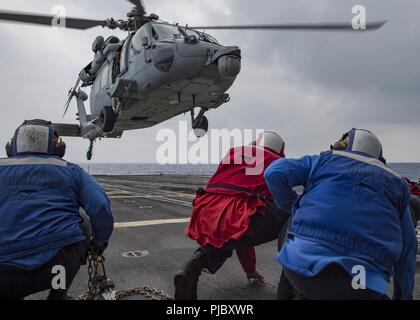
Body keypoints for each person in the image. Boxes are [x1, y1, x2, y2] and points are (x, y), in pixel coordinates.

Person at [265, 128, 417, 300]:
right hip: (363, 283)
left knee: (298, 217)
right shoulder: (398, 184)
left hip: (299, 270)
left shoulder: (323, 160)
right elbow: (408, 251)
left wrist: (292, 205)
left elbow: (274, 172)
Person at [0, 120, 114, 300]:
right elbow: (100, 206)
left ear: (10, 146)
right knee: (82, 222)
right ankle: (58, 296)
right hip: (55, 269)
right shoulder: (71, 170)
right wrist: (100, 243)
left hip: (3, 276)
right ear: (58, 147)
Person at [174, 132, 290, 300]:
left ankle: (192, 266)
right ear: (280, 150)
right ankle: (289, 283)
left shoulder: (233, 153)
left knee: (227, 233)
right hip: (239, 214)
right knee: (293, 212)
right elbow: (247, 215)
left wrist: (249, 269)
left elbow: (238, 226)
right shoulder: (278, 161)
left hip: (206, 214)